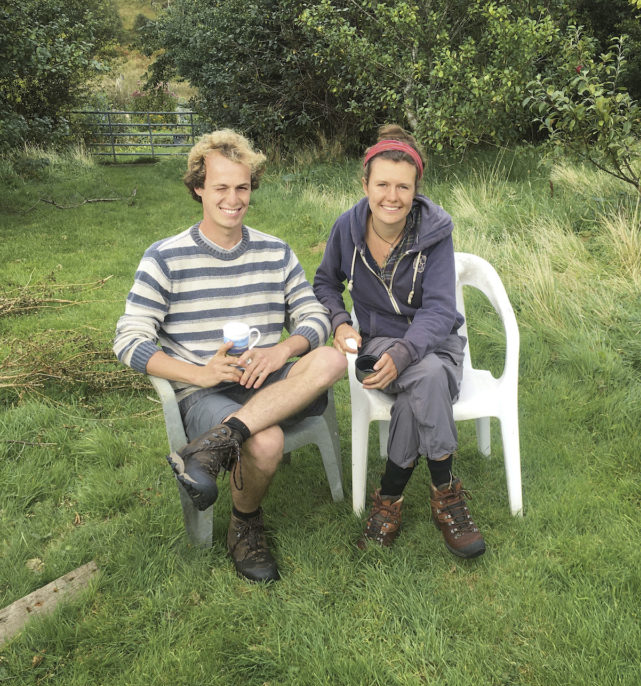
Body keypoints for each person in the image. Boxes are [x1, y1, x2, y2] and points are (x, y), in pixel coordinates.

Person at [114, 129, 346, 583]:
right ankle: (245, 523)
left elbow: (314, 315)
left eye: (242, 187)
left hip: (268, 381)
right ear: (198, 188)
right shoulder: (165, 258)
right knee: (267, 441)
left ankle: (212, 448)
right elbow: (128, 339)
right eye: (221, 187)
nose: (233, 199)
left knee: (333, 360)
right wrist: (199, 374)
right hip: (206, 393)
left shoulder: (274, 251)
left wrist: (282, 350)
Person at [313, 125, 486, 558]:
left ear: (416, 189)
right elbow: (325, 282)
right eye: (383, 184)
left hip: (436, 345)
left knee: (423, 376)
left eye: (403, 187)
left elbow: (442, 309)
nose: (392, 196)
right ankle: (447, 495)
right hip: (376, 344)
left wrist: (408, 349)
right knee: (423, 378)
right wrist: (339, 321)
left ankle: (389, 501)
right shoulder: (346, 230)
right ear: (365, 184)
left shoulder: (436, 233)